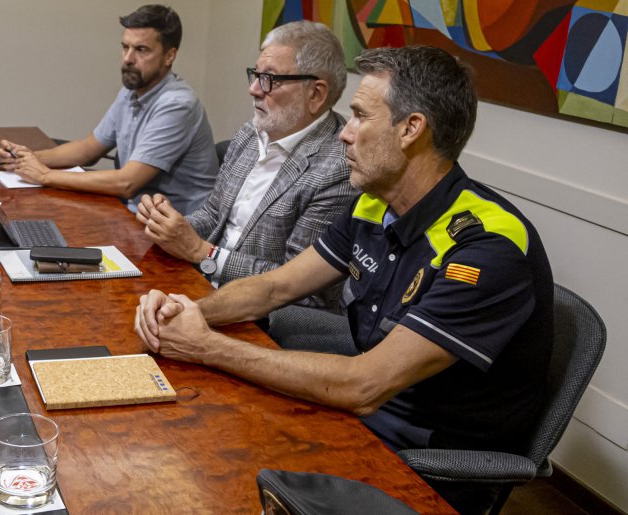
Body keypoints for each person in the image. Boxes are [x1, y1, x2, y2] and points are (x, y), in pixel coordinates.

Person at [134, 45, 553, 513]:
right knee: (194, 437)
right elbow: (276, 287)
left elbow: (363, 385)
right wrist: (189, 311)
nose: (344, 135)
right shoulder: (376, 203)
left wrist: (207, 346)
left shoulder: (485, 248)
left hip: (424, 462)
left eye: (358, 117)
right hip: (365, 419)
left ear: (411, 129)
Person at [135, 21, 354, 309]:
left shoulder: (339, 169)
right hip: (201, 284)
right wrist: (171, 227)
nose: (253, 90)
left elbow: (302, 289)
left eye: (270, 79)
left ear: (316, 94)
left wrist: (203, 253)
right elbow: (214, 215)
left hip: (262, 316)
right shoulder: (251, 134)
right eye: (255, 75)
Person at [0, 4, 218, 215]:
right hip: (134, 212)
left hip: (176, 229)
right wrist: (28, 159)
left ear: (169, 56)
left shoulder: (177, 105)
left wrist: (44, 175)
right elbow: (88, 149)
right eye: (125, 47)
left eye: (141, 50)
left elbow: (126, 183)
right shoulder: (132, 90)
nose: (128, 59)